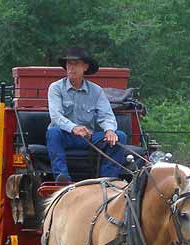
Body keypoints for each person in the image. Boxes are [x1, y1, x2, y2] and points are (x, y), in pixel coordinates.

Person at [44, 47, 127, 182]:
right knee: (53, 133)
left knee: (120, 137)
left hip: (88, 137)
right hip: (65, 135)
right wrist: (74, 128)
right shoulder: (55, 88)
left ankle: (107, 180)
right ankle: (62, 178)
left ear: (85, 67)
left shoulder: (96, 91)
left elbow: (106, 115)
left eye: (75, 64)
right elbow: (56, 116)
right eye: (69, 64)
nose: (71, 68)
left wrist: (110, 130)